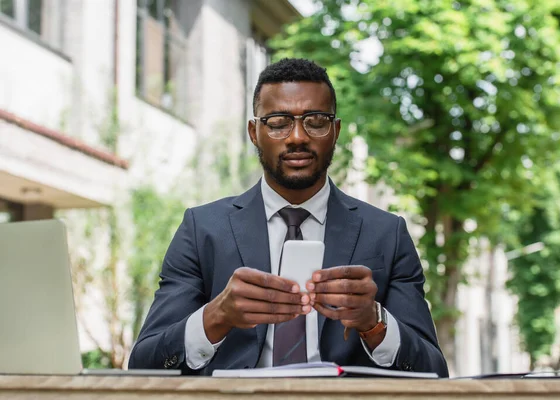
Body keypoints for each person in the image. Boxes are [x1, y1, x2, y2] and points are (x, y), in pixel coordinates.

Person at [128, 58, 448, 377]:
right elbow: (145, 364)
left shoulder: (387, 234)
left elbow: (433, 372)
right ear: (254, 132)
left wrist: (374, 321)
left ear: (335, 131)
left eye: (316, 121)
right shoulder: (202, 230)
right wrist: (215, 317)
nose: (297, 137)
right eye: (279, 122)